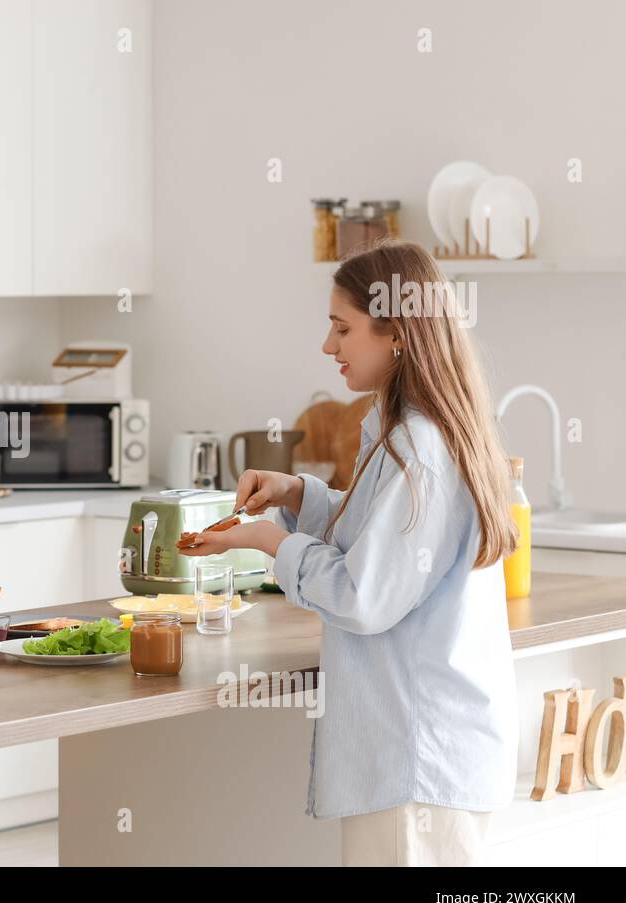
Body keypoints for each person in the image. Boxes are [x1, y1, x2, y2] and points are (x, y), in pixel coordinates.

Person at [182, 241, 518, 866]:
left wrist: (271, 543)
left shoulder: (415, 446)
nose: (327, 346)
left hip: (415, 761)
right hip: (422, 757)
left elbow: (364, 597)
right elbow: (380, 534)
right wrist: (297, 495)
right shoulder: (410, 432)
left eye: (342, 328)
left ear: (397, 335)